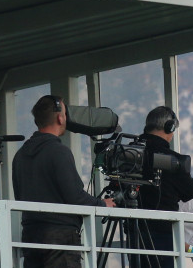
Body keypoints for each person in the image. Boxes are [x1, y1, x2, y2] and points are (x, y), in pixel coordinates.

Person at [12, 95, 116, 268]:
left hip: (31, 236)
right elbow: (75, 196)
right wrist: (102, 204)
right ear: (60, 117)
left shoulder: (20, 154)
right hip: (60, 238)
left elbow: (20, 196)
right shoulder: (59, 151)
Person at [137, 105, 193, 268]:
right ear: (169, 127)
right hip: (163, 233)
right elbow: (190, 191)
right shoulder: (173, 161)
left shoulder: (129, 155)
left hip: (134, 232)